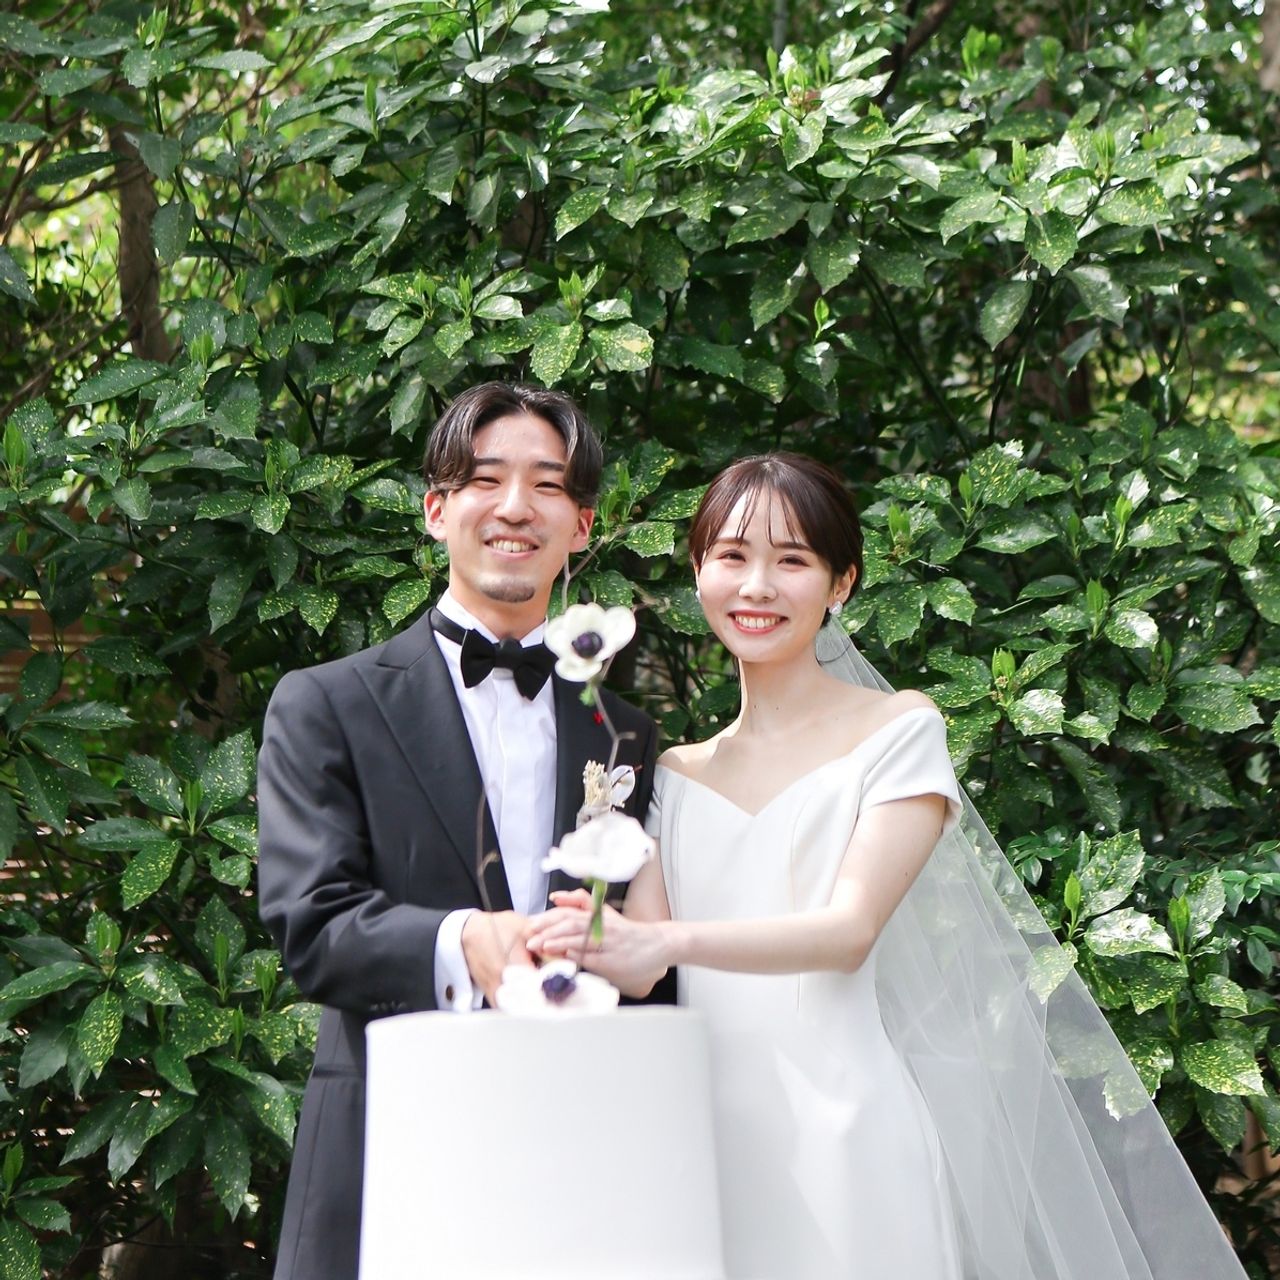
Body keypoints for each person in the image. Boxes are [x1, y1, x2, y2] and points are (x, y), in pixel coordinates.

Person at [529, 452, 1248, 1280]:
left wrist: (665, 942)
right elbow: (640, 959)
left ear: (841, 583)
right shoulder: (673, 770)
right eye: (731, 556)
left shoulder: (898, 729)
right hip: (709, 1141)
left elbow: (848, 932)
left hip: (845, 1134)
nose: (757, 585)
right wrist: (569, 910)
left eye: (791, 560)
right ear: (699, 573)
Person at [256, 382, 658, 1280]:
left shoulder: (623, 734)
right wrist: (464, 941)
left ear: (582, 526)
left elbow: (641, 952)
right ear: (437, 510)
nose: (515, 507)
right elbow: (309, 924)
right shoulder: (327, 704)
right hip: (390, 1142)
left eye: (547, 486)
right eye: (484, 479)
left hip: (580, 1160)